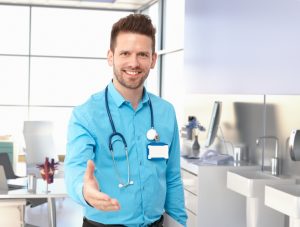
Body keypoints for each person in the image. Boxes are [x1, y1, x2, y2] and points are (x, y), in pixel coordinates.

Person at [64, 13, 187, 227]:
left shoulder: (165, 112)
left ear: (153, 59)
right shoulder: (86, 114)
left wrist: (181, 223)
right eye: (125, 53)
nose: (134, 62)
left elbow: (172, 177)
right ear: (110, 57)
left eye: (142, 54)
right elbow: (75, 168)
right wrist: (87, 191)